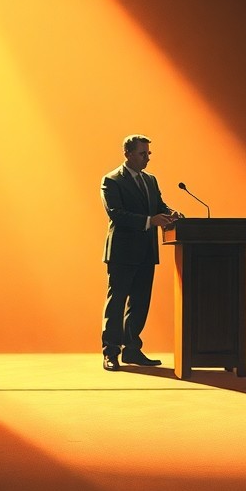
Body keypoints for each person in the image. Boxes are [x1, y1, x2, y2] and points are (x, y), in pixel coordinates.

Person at [99, 134, 183, 371]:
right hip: (122, 252)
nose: (147, 158)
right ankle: (111, 353)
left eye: (148, 153)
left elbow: (159, 206)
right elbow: (116, 213)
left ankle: (132, 350)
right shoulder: (112, 180)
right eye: (142, 153)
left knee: (140, 303)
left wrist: (171, 213)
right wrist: (150, 220)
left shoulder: (150, 180)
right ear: (128, 154)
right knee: (117, 303)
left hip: (146, 250)